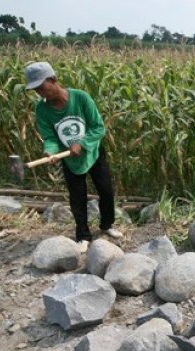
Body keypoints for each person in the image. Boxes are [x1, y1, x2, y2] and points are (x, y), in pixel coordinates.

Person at [24, 61, 123, 253]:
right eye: (36, 90)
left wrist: (83, 143)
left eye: (42, 88)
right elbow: (50, 136)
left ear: (53, 80)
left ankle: (107, 225)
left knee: (106, 190)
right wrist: (50, 150)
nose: (40, 94)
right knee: (77, 197)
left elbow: (98, 127)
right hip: (70, 159)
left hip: (93, 153)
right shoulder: (42, 109)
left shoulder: (80, 98)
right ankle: (83, 236)